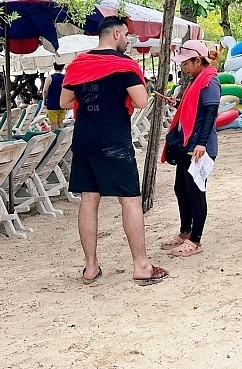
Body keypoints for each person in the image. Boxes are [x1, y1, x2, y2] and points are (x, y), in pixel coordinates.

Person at [59, 16, 167, 286]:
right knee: (129, 199)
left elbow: (64, 100)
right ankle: (141, 265)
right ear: (116, 34)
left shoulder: (78, 64)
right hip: (114, 141)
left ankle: (91, 267)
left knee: (89, 200)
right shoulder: (123, 66)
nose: (129, 41)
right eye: (127, 36)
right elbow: (141, 102)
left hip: (85, 139)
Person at [159, 40, 220, 258]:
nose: (183, 67)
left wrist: (202, 143)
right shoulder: (195, 81)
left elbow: (210, 113)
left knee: (196, 191)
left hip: (199, 146)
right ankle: (185, 232)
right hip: (187, 143)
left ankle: (196, 239)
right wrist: (176, 104)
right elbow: (195, 109)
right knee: (181, 188)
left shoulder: (209, 82)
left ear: (197, 60)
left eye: (186, 62)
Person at [42, 63, 67, 130]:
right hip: (62, 104)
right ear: (62, 68)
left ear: (54, 67)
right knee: (61, 123)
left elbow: (45, 90)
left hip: (52, 104)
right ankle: (62, 138)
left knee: (54, 124)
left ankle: (56, 139)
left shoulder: (50, 77)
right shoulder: (65, 77)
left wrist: (44, 99)